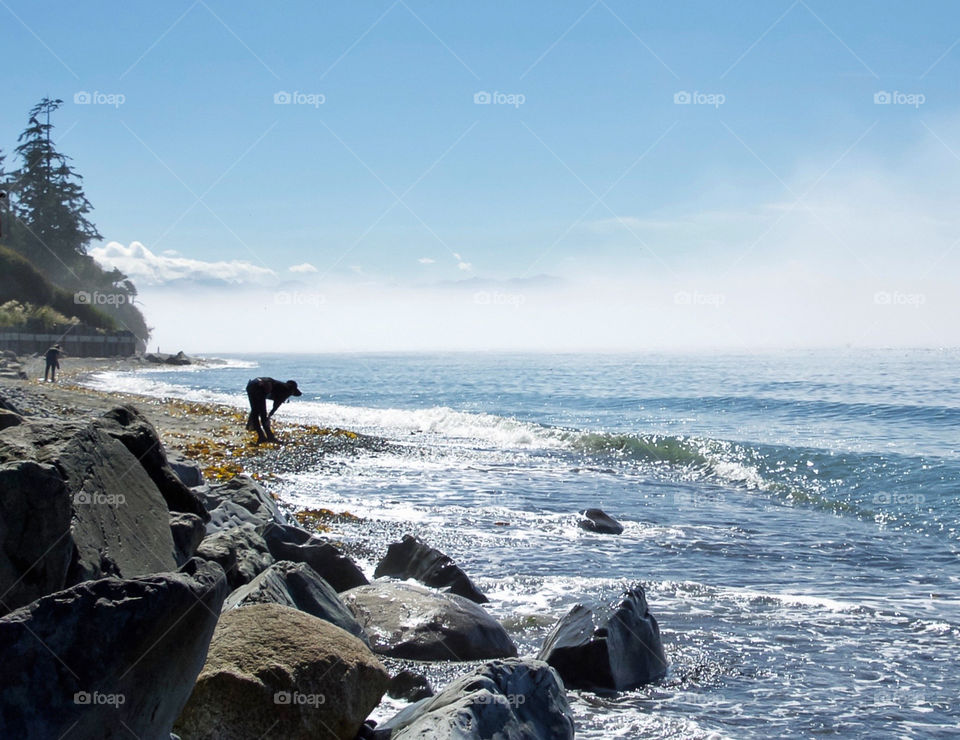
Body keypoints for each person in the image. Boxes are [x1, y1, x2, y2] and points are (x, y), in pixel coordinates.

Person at [245, 377, 302, 443]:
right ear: (293, 390)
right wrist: (269, 415)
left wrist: (269, 416)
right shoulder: (287, 390)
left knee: (255, 412)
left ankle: (262, 436)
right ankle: (269, 437)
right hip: (260, 386)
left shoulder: (281, 386)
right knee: (262, 415)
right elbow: (276, 404)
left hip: (251, 385)